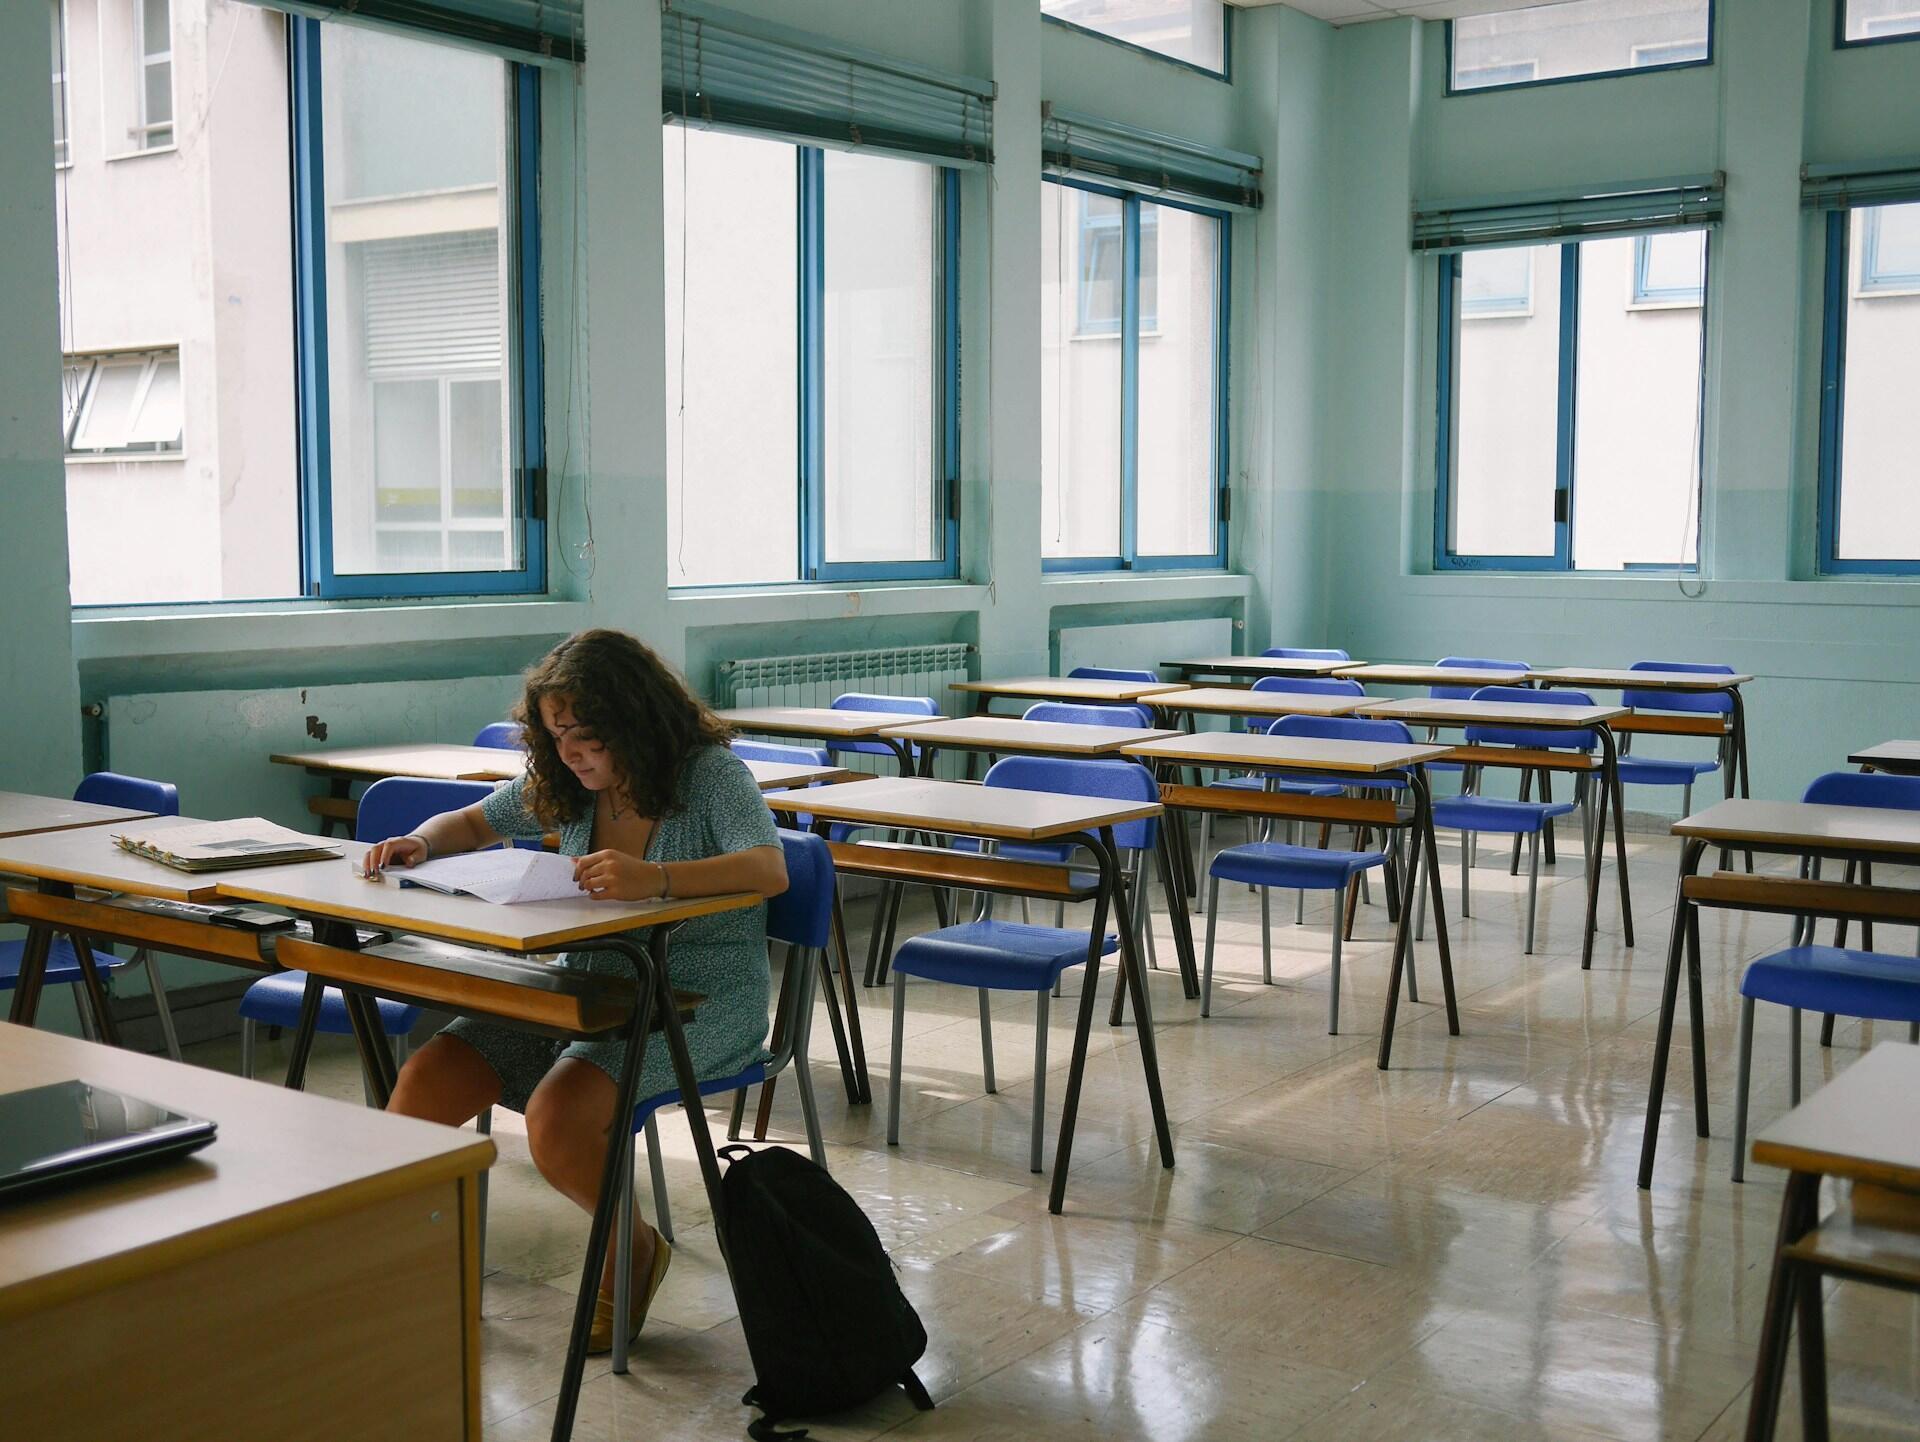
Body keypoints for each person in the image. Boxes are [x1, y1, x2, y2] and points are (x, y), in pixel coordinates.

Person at [368, 629, 787, 1354]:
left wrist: (655, 880)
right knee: (426, 1081)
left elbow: (769, 870)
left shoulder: (710, 775)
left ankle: (633, 1252)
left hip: (697, 997)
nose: (570, 753)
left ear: (636, 722)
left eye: (587, 736)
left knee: (557, 1119)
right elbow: (472, 820)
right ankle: (426, 1259)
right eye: (556, 734)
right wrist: (423, 843)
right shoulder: (563, 785)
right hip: (582, 986)